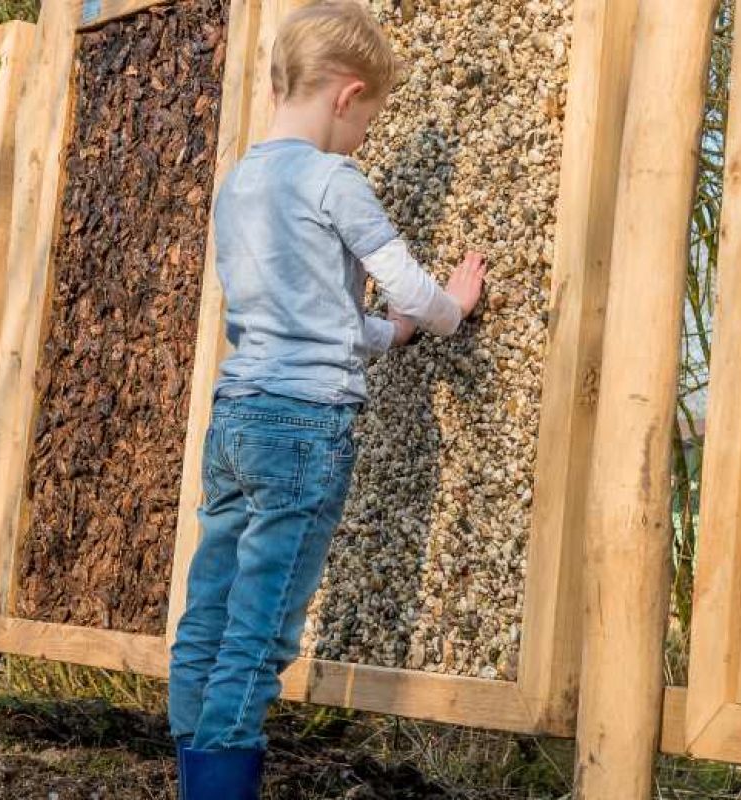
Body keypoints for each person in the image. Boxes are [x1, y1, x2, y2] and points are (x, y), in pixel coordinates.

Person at [167, 3, 487, 795]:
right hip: (305, 427)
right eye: (369, 119)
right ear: (346, 95)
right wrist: (448, 309)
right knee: (261, 630)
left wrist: (393, 335)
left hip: (237, 415)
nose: (364, 138)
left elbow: (313, 315)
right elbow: (404, 282)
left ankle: (191, 771)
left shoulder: (239, 183)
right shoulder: (333, 178)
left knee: (208, 609)